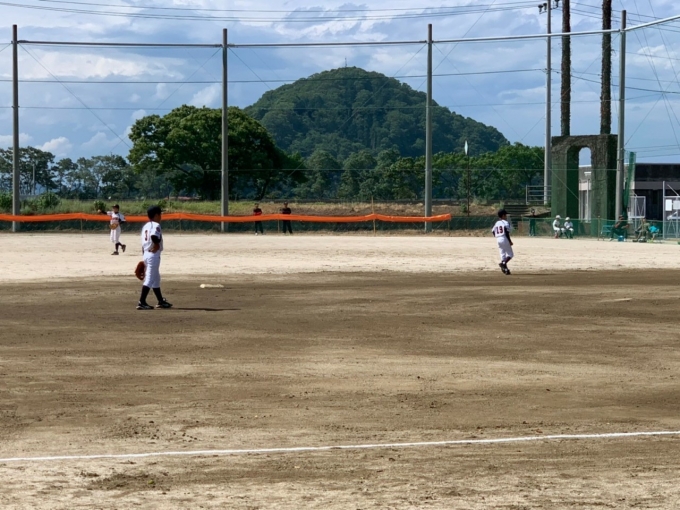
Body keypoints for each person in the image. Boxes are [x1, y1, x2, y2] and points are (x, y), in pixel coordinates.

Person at [137, 205, 172, 311]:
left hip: (146, 254)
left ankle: (160, 301)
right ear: (156, 215)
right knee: (150, 279)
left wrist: (144, 258)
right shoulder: (156, 225)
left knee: (156, 279)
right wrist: (156, 244)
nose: (161, 216)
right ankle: (141, 302)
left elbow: (144, 243)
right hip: (153, 255)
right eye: (160, 214)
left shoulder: (145, 226)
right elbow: (153, 236)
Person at [492, 209, 514, 275]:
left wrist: (497, 236)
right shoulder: (505, 222)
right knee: (510, 254)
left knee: (503, 254)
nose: (506, 216)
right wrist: (510, 241)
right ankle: (503, 263)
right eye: (505, 215)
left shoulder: (497, 223)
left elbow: (493, 231)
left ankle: (505, 269)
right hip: (504, 238)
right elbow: (506, 232)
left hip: (498, 239)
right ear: (503, 215)